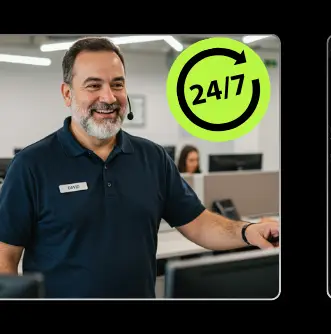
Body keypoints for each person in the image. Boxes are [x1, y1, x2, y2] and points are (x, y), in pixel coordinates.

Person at [0, 37, 279, 298]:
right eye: (93, 85)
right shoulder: (31, 165)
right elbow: (4, 258)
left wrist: (247, 232)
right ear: (67, 94)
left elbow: (199, 224)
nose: (109, 97)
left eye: (117, 84)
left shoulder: (153, 158)